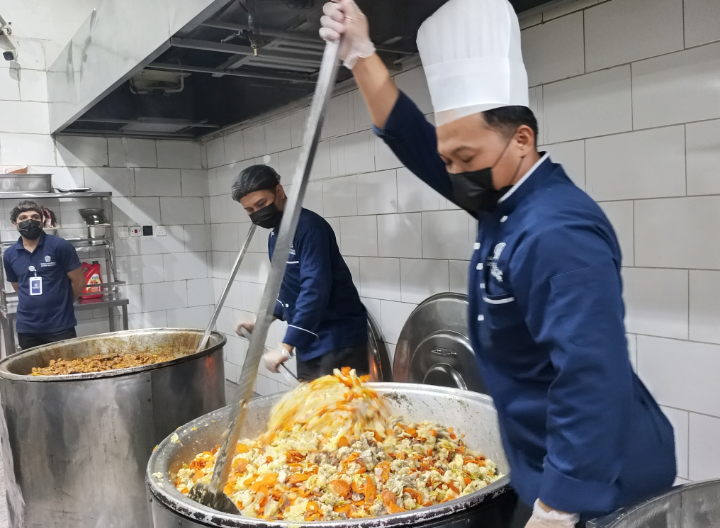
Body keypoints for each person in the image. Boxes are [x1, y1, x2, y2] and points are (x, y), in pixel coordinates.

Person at [320, 0, 676, 526]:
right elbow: (414, 139)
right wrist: (360, 55)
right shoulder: (501, 199)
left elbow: (589, 375)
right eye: (449, 161)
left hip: (604, 484)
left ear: (522, 139)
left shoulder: (556, 231)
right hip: (544, 465)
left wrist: (557, 508)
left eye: (465, 159)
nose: (454, 173)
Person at [231, 165, 369, 381]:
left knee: (340, 401)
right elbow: (288, 289)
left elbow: (314, 289)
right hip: (309, 340)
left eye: (261, 204)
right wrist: (262, 320)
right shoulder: (276, 236)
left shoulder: (310, 228)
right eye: (249, 210)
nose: (257, 213)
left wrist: (286, 347)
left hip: (337, 340)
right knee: (311, 400)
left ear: (279, 191)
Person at [3, 200, 84, 351]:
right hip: (27, 328)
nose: (30, 221)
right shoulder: (9, 254)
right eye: (23, 218)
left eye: (35, 217)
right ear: (15, 224)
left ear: (42, 222)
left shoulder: (60, 246)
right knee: (32, 366)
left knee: (65, 365)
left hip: (60, 326)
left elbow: (78, 281)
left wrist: (63, 304)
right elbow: (18, 287)